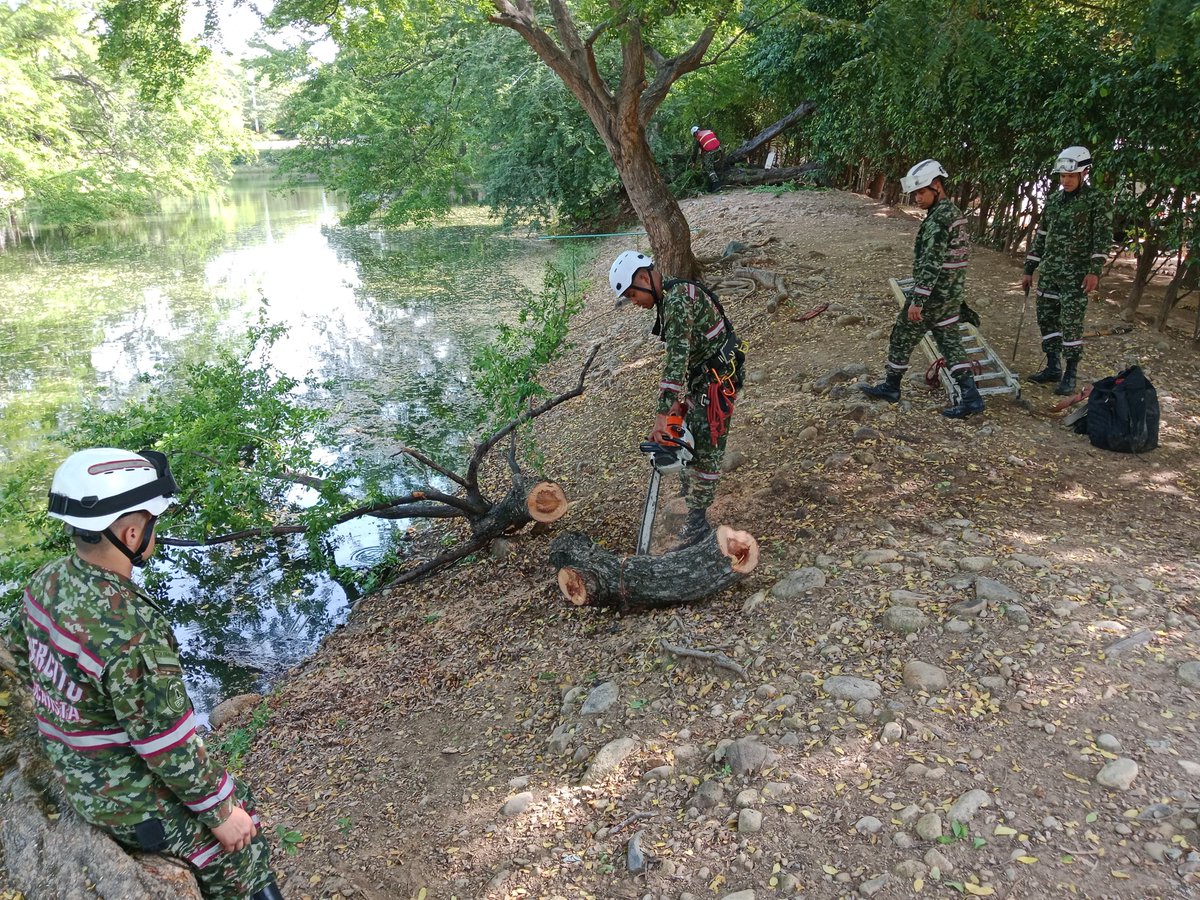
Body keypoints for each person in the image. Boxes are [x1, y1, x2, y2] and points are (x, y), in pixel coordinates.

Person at [3, 448, 282, 900]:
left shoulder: (47, 580)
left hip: (73, 769)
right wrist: (220, 814)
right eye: (154, 521)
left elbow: (21, 654)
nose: (156, 529)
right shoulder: (131, 631)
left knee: (231, 797)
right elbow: (164, 743)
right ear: (132, 533)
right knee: (241, 845)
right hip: (124, 802)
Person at [609, 251, 744, 547]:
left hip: (718, 378)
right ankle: (688, 500)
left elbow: (677, 360)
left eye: (633, 294)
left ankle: (697, 523)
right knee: (687, 436)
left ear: (644, 278)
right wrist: (678, 402)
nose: (635, 302)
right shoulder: (671, 295)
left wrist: (661, 414)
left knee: (707, 447)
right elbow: (687, 358)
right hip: (704, 376)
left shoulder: (678, 300)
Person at [861, 159, 983, 418]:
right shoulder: (954, 214)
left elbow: (932, 263)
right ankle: (972, 398)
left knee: (902, 335)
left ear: (937, 186)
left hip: (934, 297)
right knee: (950, 345)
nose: (917, 198)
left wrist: (918, 299)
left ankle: (892, 387)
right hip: (951, 296)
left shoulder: (939, 219)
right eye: (916, 192)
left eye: (922, 192)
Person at [1021, 146, 1113, 395]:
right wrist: (1029, 268)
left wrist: (1095, 271)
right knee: (1047, 319)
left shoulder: (1096, 200)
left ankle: (1070, 374)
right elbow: (1041, 235)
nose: (1066, 180)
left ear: (1084, 173)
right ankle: (1053, 367)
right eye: (1062, 176)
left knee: (1071, 324)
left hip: (1076, 276)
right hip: (1050, 273)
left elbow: (1102, 238)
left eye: (1071, 176)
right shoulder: (1053, 200)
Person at [690, 125, 723, 192]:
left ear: (695, 133)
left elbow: (695, 152)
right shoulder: (708, 131)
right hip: (719, 150)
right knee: (713, 165)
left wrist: (693, 162)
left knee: (709, 168)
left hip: (711, 152)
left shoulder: (699, 138)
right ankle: (713, 183)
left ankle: (717, 185)